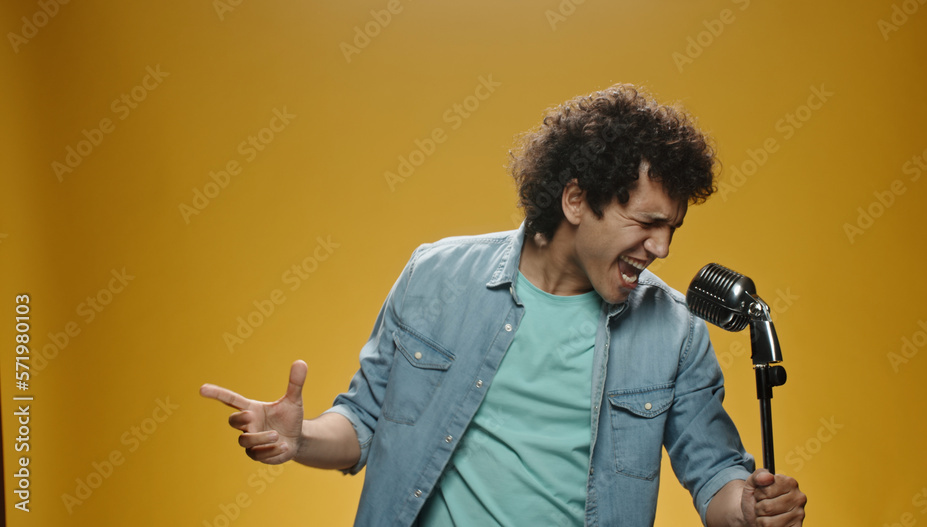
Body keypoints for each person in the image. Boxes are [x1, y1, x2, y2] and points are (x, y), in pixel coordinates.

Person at [202, 84, 807, 526]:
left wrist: (751, 510)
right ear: (577, 199)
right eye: (647, 222)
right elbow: (364, 423)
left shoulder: (674, 332)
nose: (663, 248)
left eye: (673, 228)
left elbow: (715, 476)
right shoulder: (436, 277)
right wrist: (298, 438)